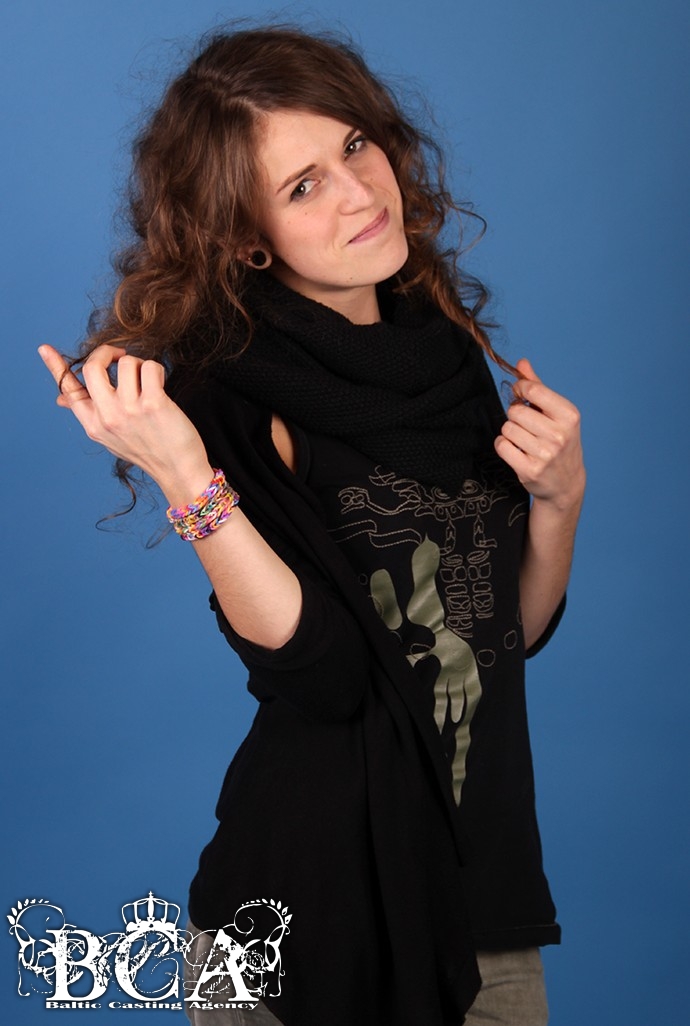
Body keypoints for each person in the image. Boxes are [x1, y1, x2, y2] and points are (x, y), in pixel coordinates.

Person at [39, 25, 585, 1026]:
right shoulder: (233, 399)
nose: (359, 193)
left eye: (355, 146)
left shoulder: (442, 351)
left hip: (487, 899)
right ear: (249, 238)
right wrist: (186, 476)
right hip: (300, 919)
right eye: (302, 187)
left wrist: (560, 499)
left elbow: (504, 633)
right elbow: (326, 677)